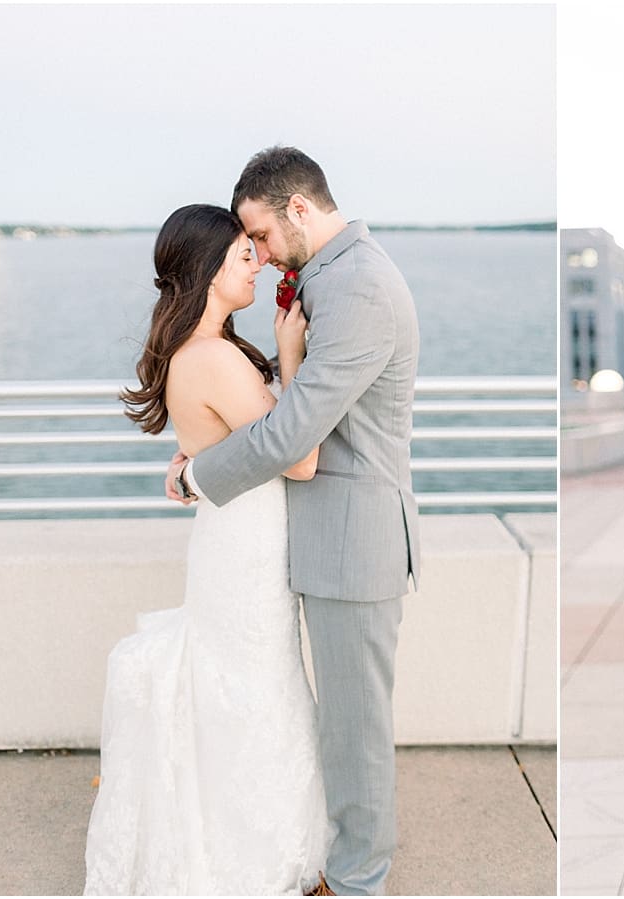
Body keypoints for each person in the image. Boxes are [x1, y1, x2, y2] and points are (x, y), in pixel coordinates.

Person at [166, 146, 421, 897]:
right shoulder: (333, 277)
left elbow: (293, 434)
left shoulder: (359, 287)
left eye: (265, 237)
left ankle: (357, 879)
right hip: (325, 535)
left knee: (355, 728)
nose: (264, 255)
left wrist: (195, 473)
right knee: (339, 723)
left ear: (299, 209)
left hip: (354, 538)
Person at [85, 203, 332, 894]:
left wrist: (188, 472)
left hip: (231, 538)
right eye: (241, 254)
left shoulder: (193, 353)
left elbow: (218, 448)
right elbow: (302, 458)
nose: (256, 260)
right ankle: (253, 853)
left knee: (251, 688)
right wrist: (291, 354)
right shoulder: (218, 358)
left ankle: (251, 835)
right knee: (259, 692)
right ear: (207, 270)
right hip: (247, 549)